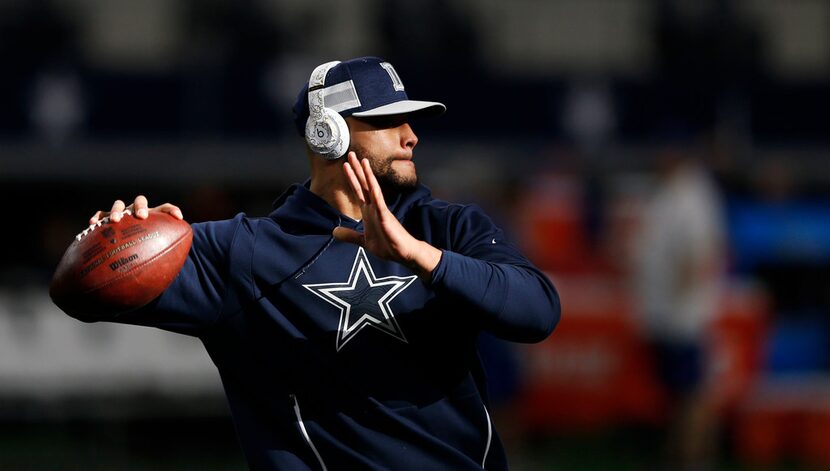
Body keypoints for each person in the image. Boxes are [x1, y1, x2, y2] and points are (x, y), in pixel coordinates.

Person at [70, 57, 561, 470]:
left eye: (411, 121)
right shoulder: (245, 251)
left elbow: (538, 312)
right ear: (326, 131)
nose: (411, 136)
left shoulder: (449, 229)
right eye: (389, 121)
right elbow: (77, 288)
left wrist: (419, 255)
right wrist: (114, 235)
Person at [631, 141, 726, 469]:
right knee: (676, 391)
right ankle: (677, 455)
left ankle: (696, 458)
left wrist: (678, 301)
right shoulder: (668, 193)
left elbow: (698, 255)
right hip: (662, 312)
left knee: (692, 391)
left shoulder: (693, 196)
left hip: (682, 315)